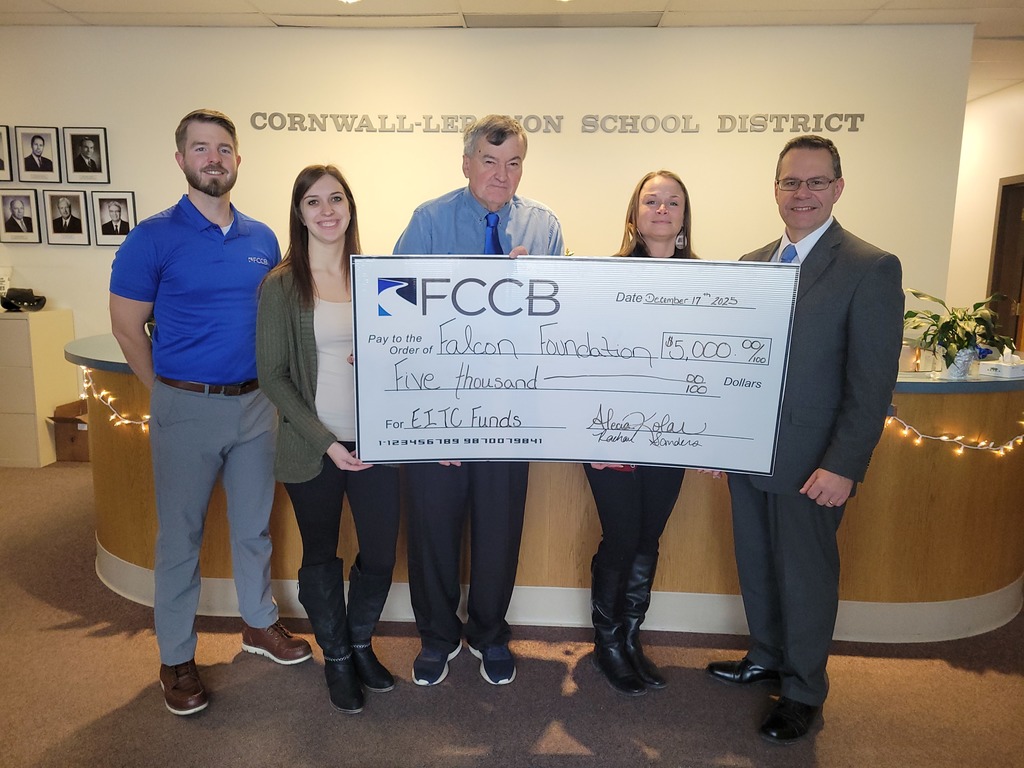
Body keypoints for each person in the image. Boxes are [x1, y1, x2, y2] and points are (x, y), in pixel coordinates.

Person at [109, 108, 312, 717]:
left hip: (256, 406)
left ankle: (258, 625)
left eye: (224, 148)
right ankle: (176, 657)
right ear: (181, 160)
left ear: (238, 159)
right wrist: (168, 393)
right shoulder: (152, 236)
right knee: (181, 539)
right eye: (201, 149)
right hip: (184, 407)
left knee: (253, 529)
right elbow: (126, 327)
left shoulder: (262, 239)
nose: (214, 158)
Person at [706, 135, 903, 743]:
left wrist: (844, 464)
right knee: (758, 564)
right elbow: (730, 361)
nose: (803, 193)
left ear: (838, 189)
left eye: (816, 182)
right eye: (791, 182)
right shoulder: (751, 264)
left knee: (806, 575)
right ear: (776, 189)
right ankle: (765, 654)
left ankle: (803, 691)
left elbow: (871, 383)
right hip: (747, 452)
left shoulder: (870, 267)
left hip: (813, 463)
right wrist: (716, 438)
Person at [393, 114, 564, 687]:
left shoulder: (544, 227)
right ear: (466, 164)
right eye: (489, 162)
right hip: (437, 408)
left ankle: (490, 632)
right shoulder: (429, 221)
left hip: (511, 412)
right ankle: (438, 637)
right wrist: (424, 422)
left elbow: (563, 323)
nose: (502, 174)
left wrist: (533, 291)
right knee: (433, 529)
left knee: (498, 530)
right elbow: (393, 311)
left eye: (514, 162)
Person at [256, 165, 400, 715]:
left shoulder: (376, 278)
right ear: (299, 214)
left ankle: (361, 643)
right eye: (312, 202)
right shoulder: (280, 285)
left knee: (382, 554)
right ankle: (337, 657)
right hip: (313, 447)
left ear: (350, 206)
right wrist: (327, 442)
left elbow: (408, 345)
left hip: (378, 443)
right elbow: (273, 375)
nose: (326, 210)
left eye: (335, 199)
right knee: (321, 555)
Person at [584, 170, 696, 697]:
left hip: (672, 436)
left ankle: (630, 638)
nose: (661, 209)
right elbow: (579, 357)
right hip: (613, 437)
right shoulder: (605, 277)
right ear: (634, 214)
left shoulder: (707, 281)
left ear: (683, 216)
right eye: (652, 200)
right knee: (622, 535)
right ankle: (606, 644)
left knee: (649, 537)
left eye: (672, 202)